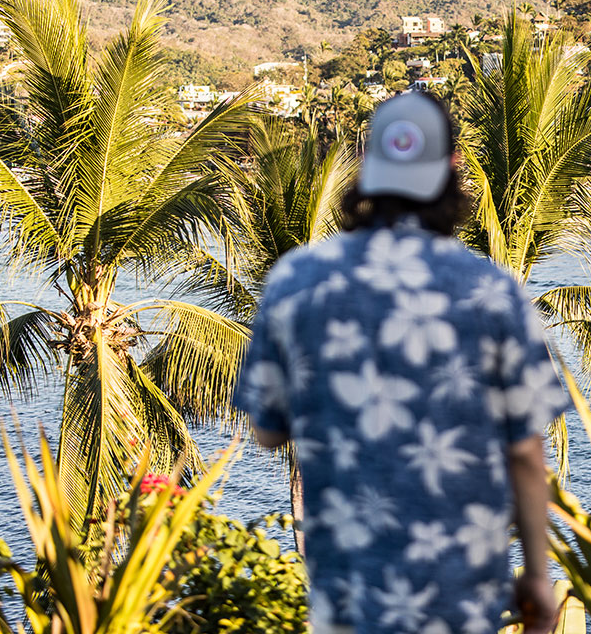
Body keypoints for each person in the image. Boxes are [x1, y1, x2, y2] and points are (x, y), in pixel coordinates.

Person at [234, 92, 565, 634]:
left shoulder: (298, 280)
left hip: (349, 596)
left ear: (367, 173)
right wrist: (535, 574)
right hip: (462, 597)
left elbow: (268, 432)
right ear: (452, 170)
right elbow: (526, 453)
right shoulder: (489, 291)